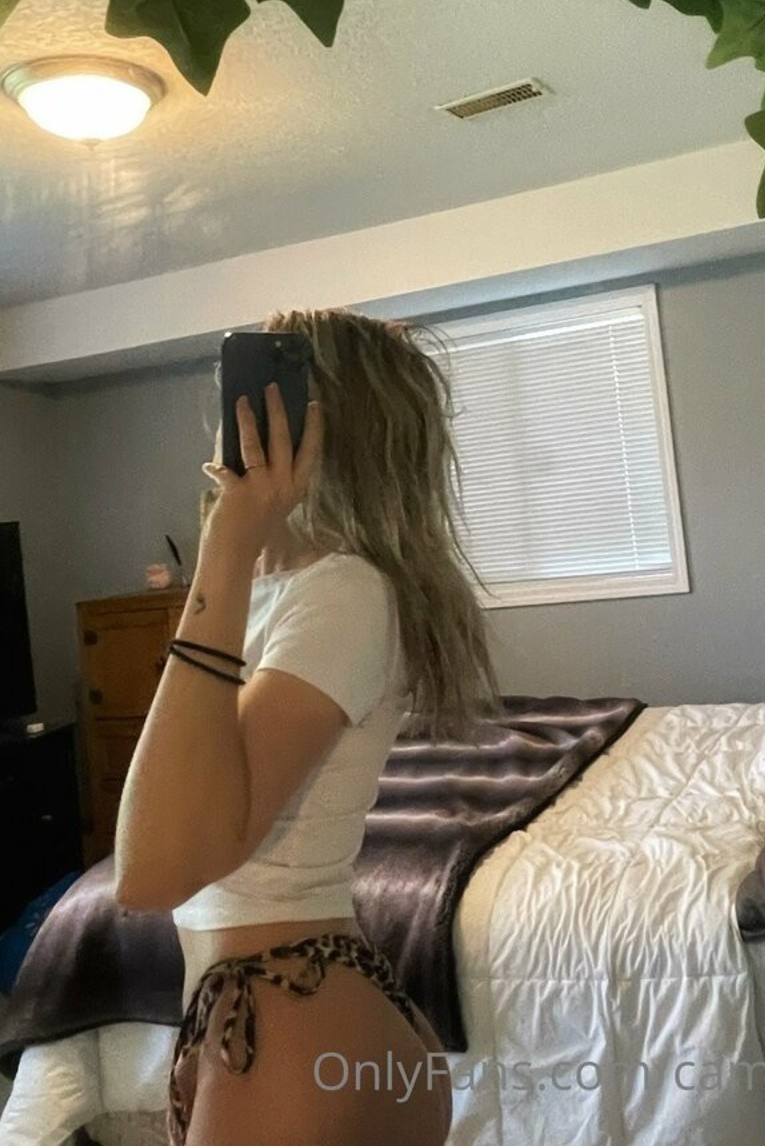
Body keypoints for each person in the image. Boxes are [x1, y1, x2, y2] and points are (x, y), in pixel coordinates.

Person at [114, 308, 503, 1146]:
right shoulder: (279, 592)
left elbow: (151, 868)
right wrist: (235, 554)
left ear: (322, 427)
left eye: (269, 399)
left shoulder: (345, 592)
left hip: (287, 1019)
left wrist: (224, 541)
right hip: (280, 1006)